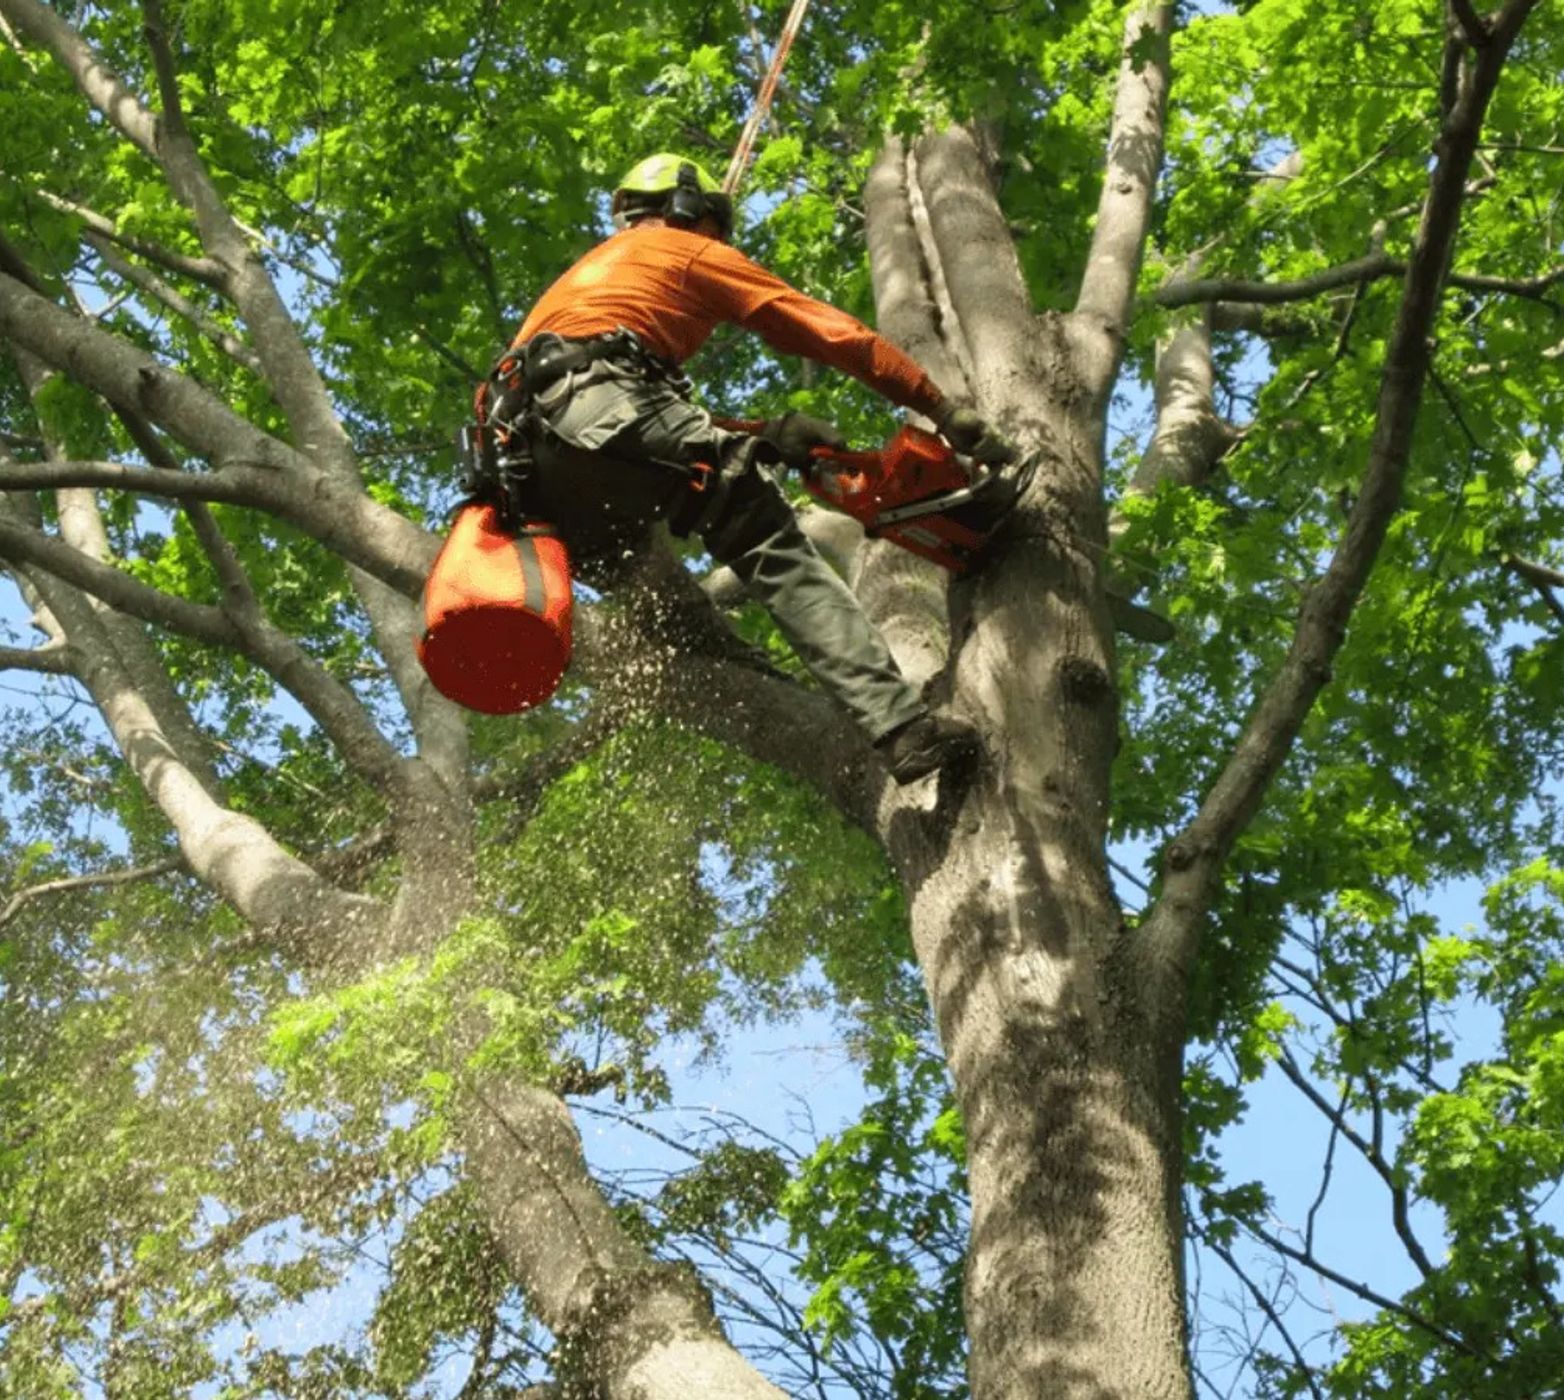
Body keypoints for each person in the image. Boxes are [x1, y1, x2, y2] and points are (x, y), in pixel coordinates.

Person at [478, 152, 1012, 784]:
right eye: (716, 225)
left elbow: (634, 428)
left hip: (532, 481)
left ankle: (731, 667)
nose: (719, 241)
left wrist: (772, 437)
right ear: (688, 211)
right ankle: (901, 726)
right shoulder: (684, 249)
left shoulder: (586, 288)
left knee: (681, 583)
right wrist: (939, 407)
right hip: (603, 414)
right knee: (761, 535)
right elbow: (827, 332)